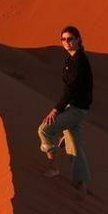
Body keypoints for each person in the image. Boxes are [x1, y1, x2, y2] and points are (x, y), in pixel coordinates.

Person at [37, 25, 93, 194]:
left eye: (70, 39)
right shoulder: (71, 59)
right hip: (72, 107)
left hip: (77, 108)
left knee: (45, 130)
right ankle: (81, 184)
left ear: (78, 40)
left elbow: (71, 88)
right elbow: (68, 87)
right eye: (63, 39)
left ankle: (53, 166)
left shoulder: (79, 61)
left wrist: (56, 110)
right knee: (74, 145)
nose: (66, 42)